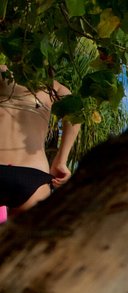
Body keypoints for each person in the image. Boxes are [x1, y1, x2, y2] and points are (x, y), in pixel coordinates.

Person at [0, 67, 81, 219]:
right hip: (32, 173)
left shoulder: (3, 72)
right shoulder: (54, 87)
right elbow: (75, 115)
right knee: (27, 240)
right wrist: (61, 161)